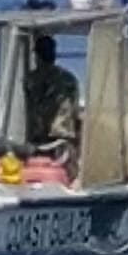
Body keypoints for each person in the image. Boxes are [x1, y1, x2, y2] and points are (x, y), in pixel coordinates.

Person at [25, 34, 80, 176]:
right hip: (63, 139)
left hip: (36, 141)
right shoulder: (69, 78)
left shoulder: (30, 79)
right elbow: (74, 109)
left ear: (37, 56)